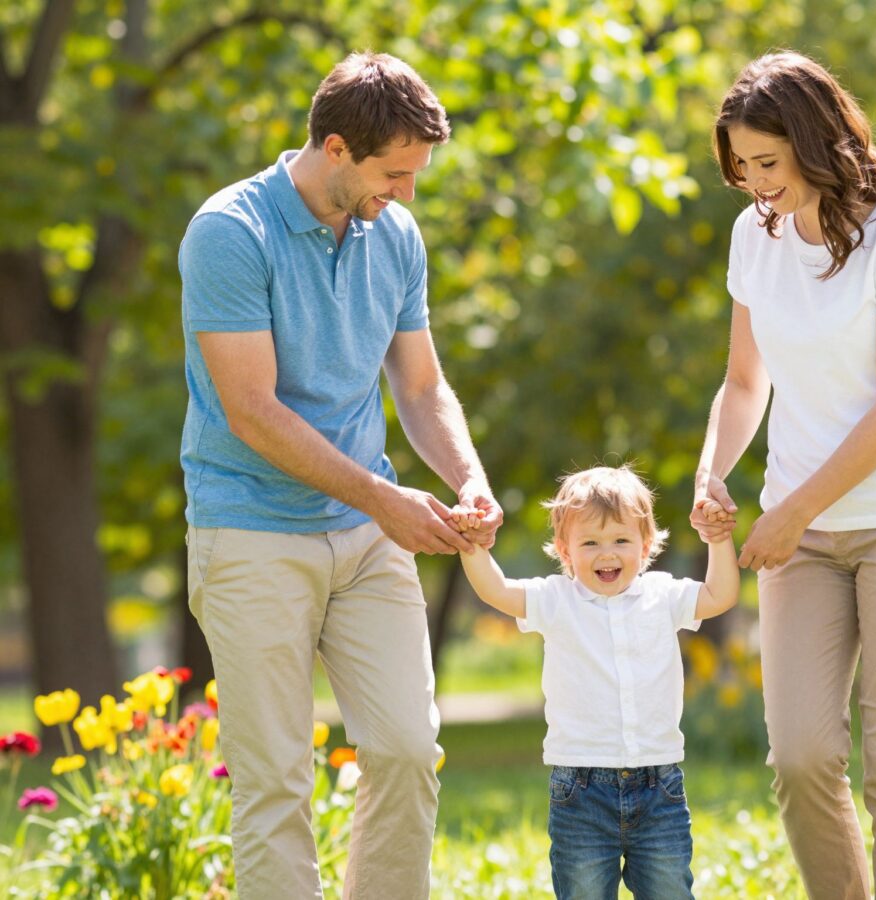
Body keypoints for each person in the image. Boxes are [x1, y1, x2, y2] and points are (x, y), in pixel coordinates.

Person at [178, 52, 501, 899]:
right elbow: (251, 410)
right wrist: (383, 499)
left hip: (363, 537)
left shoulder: (392, 232)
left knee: (403, 748)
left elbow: (422, 387)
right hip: (250, 531)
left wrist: (467, 478)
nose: (408, 194)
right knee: (275, 784)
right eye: (395, 174)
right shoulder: (229, 233)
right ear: (334, 148)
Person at [690, 51, 876, 900]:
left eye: (768, 164)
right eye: (742, 169)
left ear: (815, 142)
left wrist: (793, 509)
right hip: (804, 538)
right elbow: (746, 382)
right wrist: (714, 473)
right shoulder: (755, 235)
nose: (754, 185)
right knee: (804, 755)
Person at [451, 465, 739, 899]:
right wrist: (473, 545)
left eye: (621, 540)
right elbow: (497, 589)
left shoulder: (663, 596)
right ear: (566, 553)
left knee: (670, 891)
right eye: (590, 543)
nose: (607, 553)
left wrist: (718, 541)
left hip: (658, 785)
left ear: (645, 547)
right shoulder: (555, 599)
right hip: (580, 791)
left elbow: (720, 596)